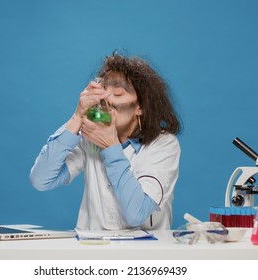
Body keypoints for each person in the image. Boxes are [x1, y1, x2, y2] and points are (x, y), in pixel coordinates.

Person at [29, 52, 181, 231]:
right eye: (103, 92)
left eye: (117, 94)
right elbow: (41, 179)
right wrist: (77, 117)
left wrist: (111, 147)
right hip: (93, 251)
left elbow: (137, 213)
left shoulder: (163, 144)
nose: (106, 100)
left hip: (142, 255)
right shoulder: (90, 138)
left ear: (140, 107)